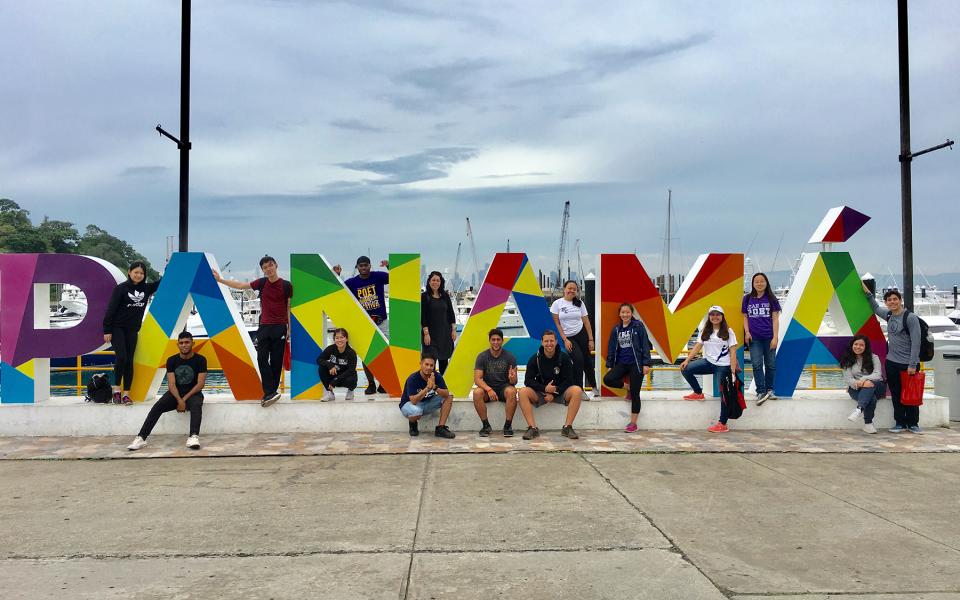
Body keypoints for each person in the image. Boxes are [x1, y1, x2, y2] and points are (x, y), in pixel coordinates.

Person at [213, 256, 293, 407]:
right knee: (262, 358)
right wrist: (220, 280)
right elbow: (241, 286)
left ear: (276, 266)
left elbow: (288, 307)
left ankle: (270, 392)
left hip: (280, 327)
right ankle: (270, 392)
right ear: (263, 270)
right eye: (265, 267)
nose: (268, 269)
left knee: (276, 362)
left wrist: (289, 329)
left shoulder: (286, 285)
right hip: (264, 326)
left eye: (270, 265)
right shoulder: (262, 283)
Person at [127, 331, 207, 451]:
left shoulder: (200, 360)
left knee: (196, 405)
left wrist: (183, 400)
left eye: (187, 342)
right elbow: (171, 384)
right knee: (157, 407)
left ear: (192, 343)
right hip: (175, 394)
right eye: (181, 343)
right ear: (177, 345)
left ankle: (193, 437)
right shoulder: (171, 360)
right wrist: (179, 400)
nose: (184, 345)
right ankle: (141, 438)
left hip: (193, 393)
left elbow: (200, 384)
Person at [863, 284, 922, 433]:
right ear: (886, 303)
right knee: (896, 394)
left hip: (909, 364)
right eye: (889, 300)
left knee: (911, 394)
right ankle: (900, 423)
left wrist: (912, 364)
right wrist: (868, 293)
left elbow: (916, 342)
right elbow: (875, 308)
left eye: (895, 299)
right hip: (892, 363)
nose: (892, 302)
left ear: (900, 300)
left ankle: (913, 423)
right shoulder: (889, 315)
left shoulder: (910, 317)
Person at [102, 261, 162, 405]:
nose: (138, 275)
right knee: (121, 357)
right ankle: (116, 391)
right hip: (117, 328)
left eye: (141, 273)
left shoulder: (147, 289)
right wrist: (107, 330)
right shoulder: (121, 289)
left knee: (129, 361)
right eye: (136, 272)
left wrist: (169, 268)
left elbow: (162, 282)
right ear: (129, 272)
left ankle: (126, 394)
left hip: (132, 330)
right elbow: (111, 310)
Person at [680, 305, 740, 433]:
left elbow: (733, 352)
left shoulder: (728, 331)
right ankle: (698, 393)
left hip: (723, 367)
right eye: (712, 314)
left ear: (722, 317)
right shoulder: (705, 331)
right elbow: (697, 347)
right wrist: (687, 360)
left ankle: (722, 423)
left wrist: (733, 370)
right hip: (708, 362)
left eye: (718, 314)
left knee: (724, 394)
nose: (715, 317)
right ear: (709, 317)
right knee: (686, 369)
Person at [334, 256, 389, 395]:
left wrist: (389, 265)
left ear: (370, 266)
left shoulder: (378, 276)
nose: (363, 268)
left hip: (381, 322)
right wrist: (337, 275)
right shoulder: (352, 282)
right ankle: (371, 383)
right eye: (360, 266)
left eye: (365, 265)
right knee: (367, 355)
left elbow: (396, 278)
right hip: (365, 323)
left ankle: (385, 382)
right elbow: (339, 290)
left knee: (386, 353)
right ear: (357, 267)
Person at [517, 330, 583, 440]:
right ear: (542, 343)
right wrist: (544, 388)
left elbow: (569, 381)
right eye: (546, 341)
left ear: (556, 342)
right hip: (541, 393)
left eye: (551, 341)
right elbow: (528, 381)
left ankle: (567, 427)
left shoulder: (564, 358)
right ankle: (532, 428)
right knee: (522, 392)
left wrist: (554, 393)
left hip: (560, 392)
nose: (549, 344)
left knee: (577, 390)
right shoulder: (535, 359)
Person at [602, 303, 653, 432]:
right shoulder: (616, 329)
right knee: (608, 379)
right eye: (623, 312)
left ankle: (633, 423)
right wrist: (610, 365)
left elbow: (645, 345)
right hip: (622, 363)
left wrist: (646, 363)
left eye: (627, 312)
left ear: (631, 313)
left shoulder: (638, 326)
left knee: (636, 394)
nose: (625, 315)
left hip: (636, 364)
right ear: (619, 314)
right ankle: (628, 388)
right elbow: (612, 348)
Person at [550, 280, 597, 398]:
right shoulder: (557, 304)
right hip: (568, 337)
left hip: (581, 334)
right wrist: (565, 339)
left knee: (587, 361)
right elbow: (557, 323)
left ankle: (594, 386)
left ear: (576, 292)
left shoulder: (580, 303)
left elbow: (586, 321)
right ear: (564, 289)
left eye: (574, 289)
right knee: (578, 360)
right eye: (569, 288)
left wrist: (591, 339)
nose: (571, 290)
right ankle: (579, 390)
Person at [742, 272, 781, 405]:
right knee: (756, 364)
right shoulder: (747, 299)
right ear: (753, 284)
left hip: (769, 337)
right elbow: (745, 317)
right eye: (756, 281)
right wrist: (746, 332)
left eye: (762, 281)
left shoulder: (771, 298)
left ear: (766, 282)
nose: (759, 283)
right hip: (755, 339)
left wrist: (775, 337)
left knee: (771, 365)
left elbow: (775, 319)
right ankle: (761, 391)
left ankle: (770, 390)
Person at [472, 328, 519, 437]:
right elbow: (477, 379)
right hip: (488, 389)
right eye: (493, 340)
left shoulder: (510, 356)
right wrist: (489, 389)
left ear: (502, 341)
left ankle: (507, 426)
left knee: (512, 391)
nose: (496, 342)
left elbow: (514, 382)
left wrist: (512, 378)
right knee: (477, 393)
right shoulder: (482, 356)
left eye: (498, 339)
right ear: (489, 341)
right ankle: (486, 425)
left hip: (504, 388)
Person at [399, 354, 456, 439]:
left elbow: (446, 394)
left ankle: (440, 428)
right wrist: (427, 388)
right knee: (416, 411)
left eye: (431, 365)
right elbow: (413, 400)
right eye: (426, 364)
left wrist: (434, 387)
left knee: (449, 396)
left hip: (426, 403)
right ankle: (413, 424)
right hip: (409, 405)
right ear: (421, 364)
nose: (429, 367)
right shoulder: (413, 378)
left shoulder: (436, 376)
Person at [839, 335, 885, 434]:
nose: (858, 347)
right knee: (871, 398)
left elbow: (877, 374)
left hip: (877, 385)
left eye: (861, 345)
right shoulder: (847, 360)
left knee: (870, 383)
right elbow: (848, 379)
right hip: (855, 388)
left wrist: (864, 380)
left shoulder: (874, 357)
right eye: (856, 344)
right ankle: (867, 423)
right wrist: (860, 384)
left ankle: (859, 410)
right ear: (852, 345)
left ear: (866, 347)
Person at [421, 271, 457, 374]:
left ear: (441, 282)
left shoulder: (445, 296)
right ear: (429, 281)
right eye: (433, 280)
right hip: (430, 335)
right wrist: (426, 333)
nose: (435, 282)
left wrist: (453, 330)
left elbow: (451, 314)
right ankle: (429, 386)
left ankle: (441, 386)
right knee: (429, 362)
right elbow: (423, 316)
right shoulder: (424, 296)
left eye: (438, 280)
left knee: (444, 361)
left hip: (445, 334)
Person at [316, 328, 358, 402]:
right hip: (334, 374)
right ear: (334, 339)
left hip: (345, 377)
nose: (339, 340)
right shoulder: (331, 349)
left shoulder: (351, 353)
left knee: (353, 378)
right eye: (337, 338)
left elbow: (351, 370)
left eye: (341, 337)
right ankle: (330, 393)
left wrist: (336, 380)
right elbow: (319, 359)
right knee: (321, 368)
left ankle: (351, 391)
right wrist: (330, 365)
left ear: (346, 339)